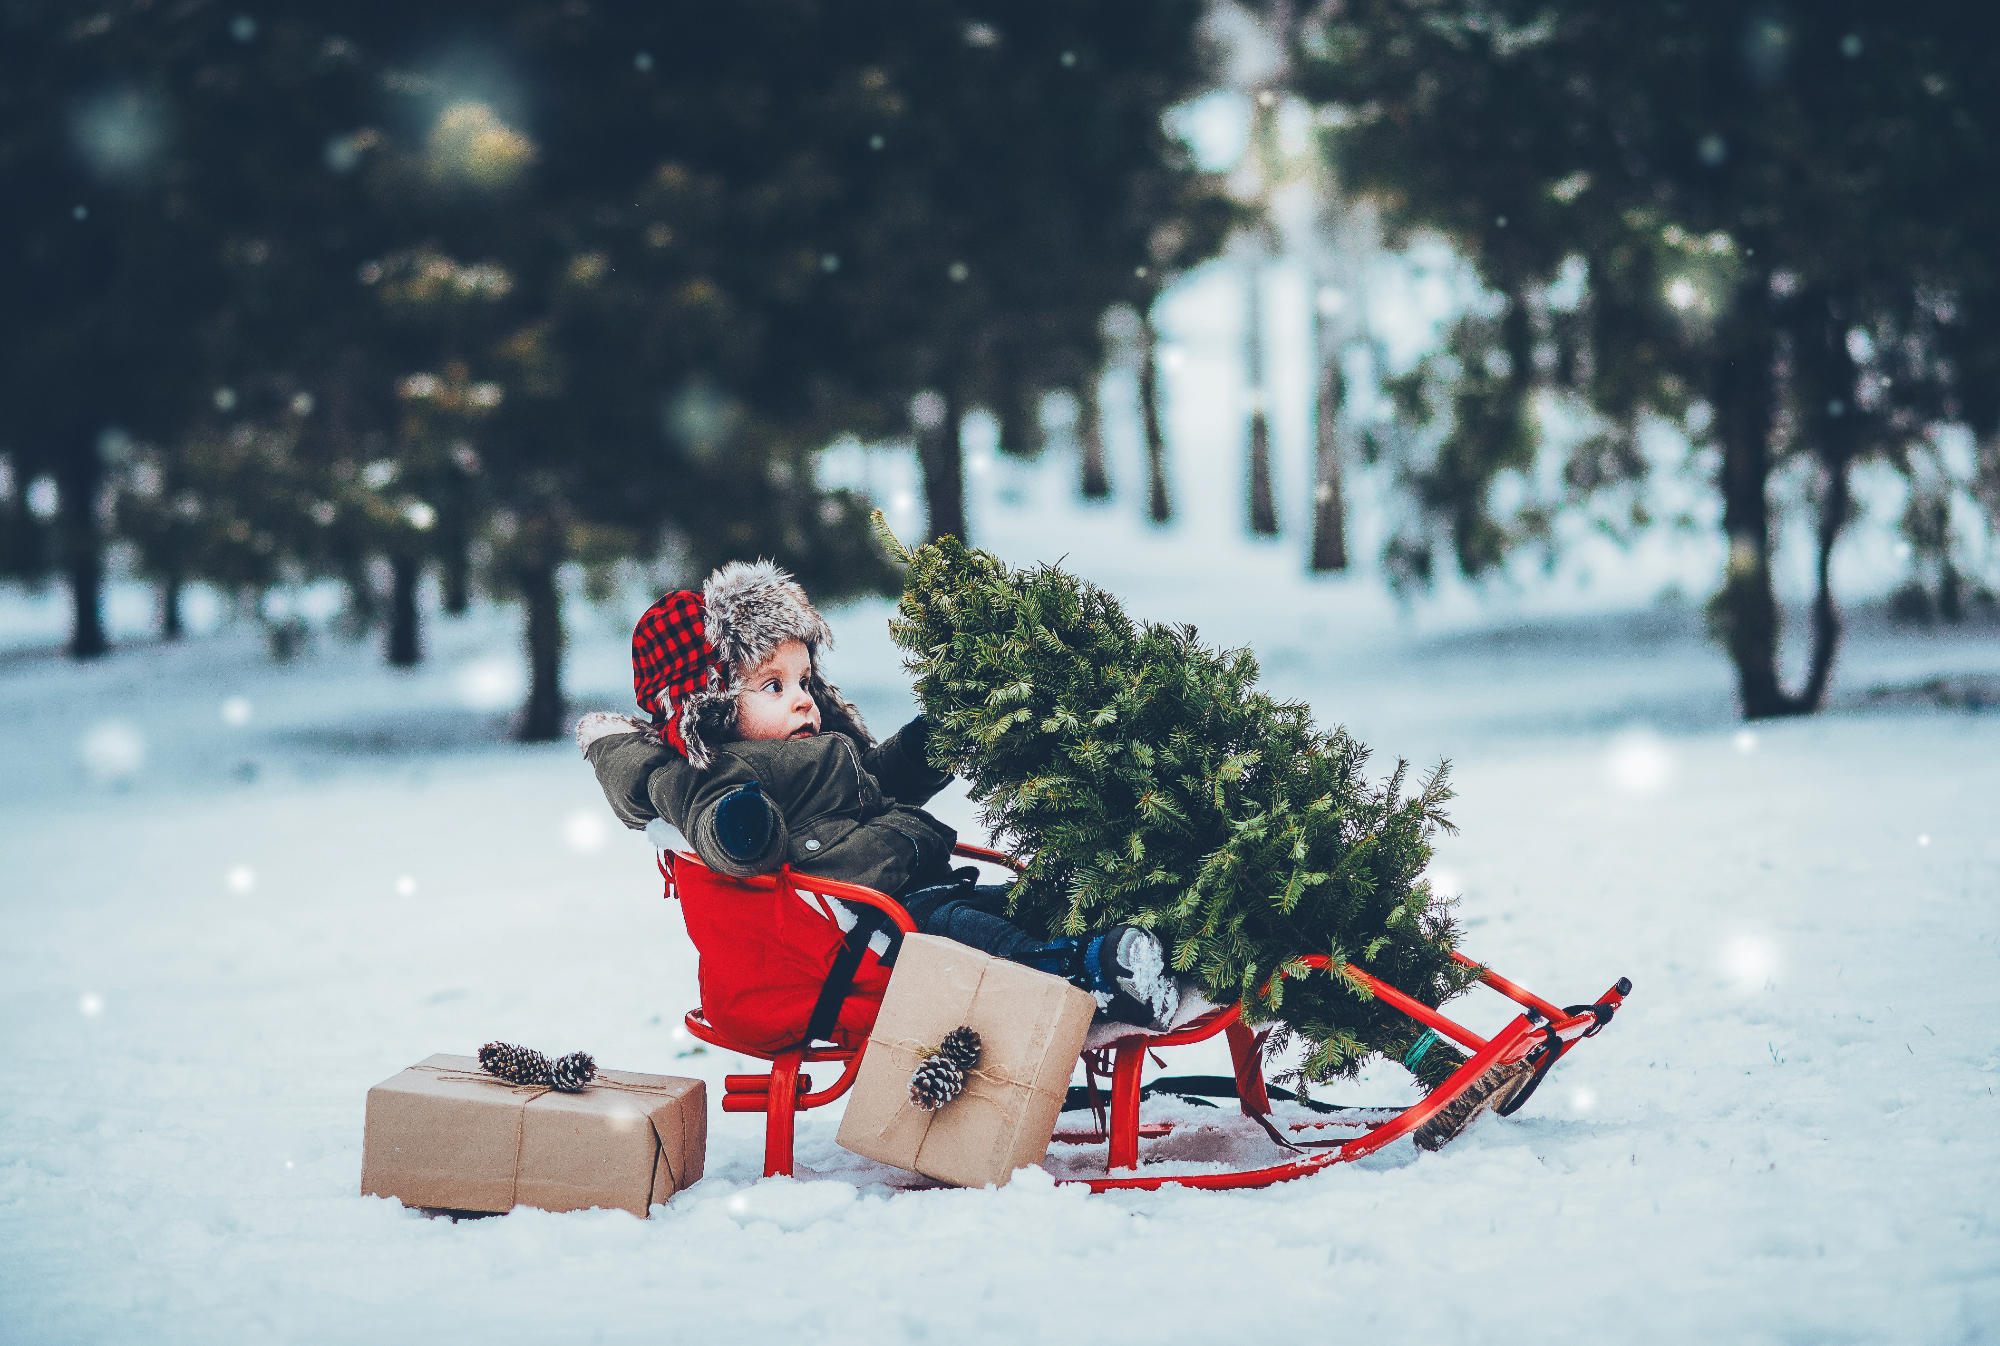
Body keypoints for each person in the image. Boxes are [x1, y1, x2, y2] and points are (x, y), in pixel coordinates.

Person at [575, 559, 1179, 1030]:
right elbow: (713, 824)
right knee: (985, 942)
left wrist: (931, 743)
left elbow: (878, 781)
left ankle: (1136, 945)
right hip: (874, 930)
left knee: (1024, 902)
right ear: (710, 706)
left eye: (805, 680)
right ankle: (1087, 978)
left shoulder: (820, 748)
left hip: (915, 888)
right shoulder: (722, 770)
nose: (802, 697)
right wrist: (741, 825)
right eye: (772, 684)